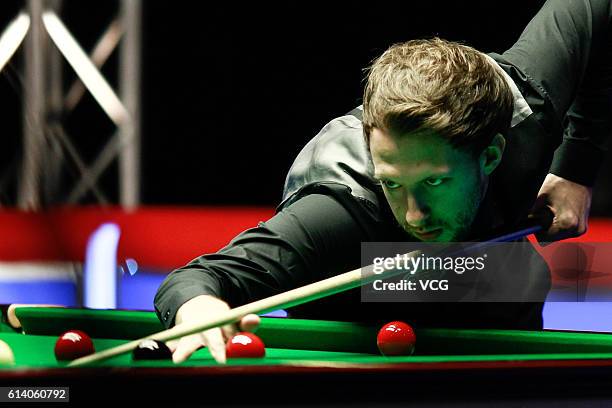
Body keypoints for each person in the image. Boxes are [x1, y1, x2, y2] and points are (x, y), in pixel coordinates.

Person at [155, 0, 611, 363]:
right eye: (393, 183)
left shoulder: (525, 113)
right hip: (361, 300)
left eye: (434, 182)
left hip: (488, 274)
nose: (414, 213)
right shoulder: (338, 213)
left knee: (520, 275)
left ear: (490, 154)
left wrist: (577, 166)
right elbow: (199, 279)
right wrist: (201, 309)